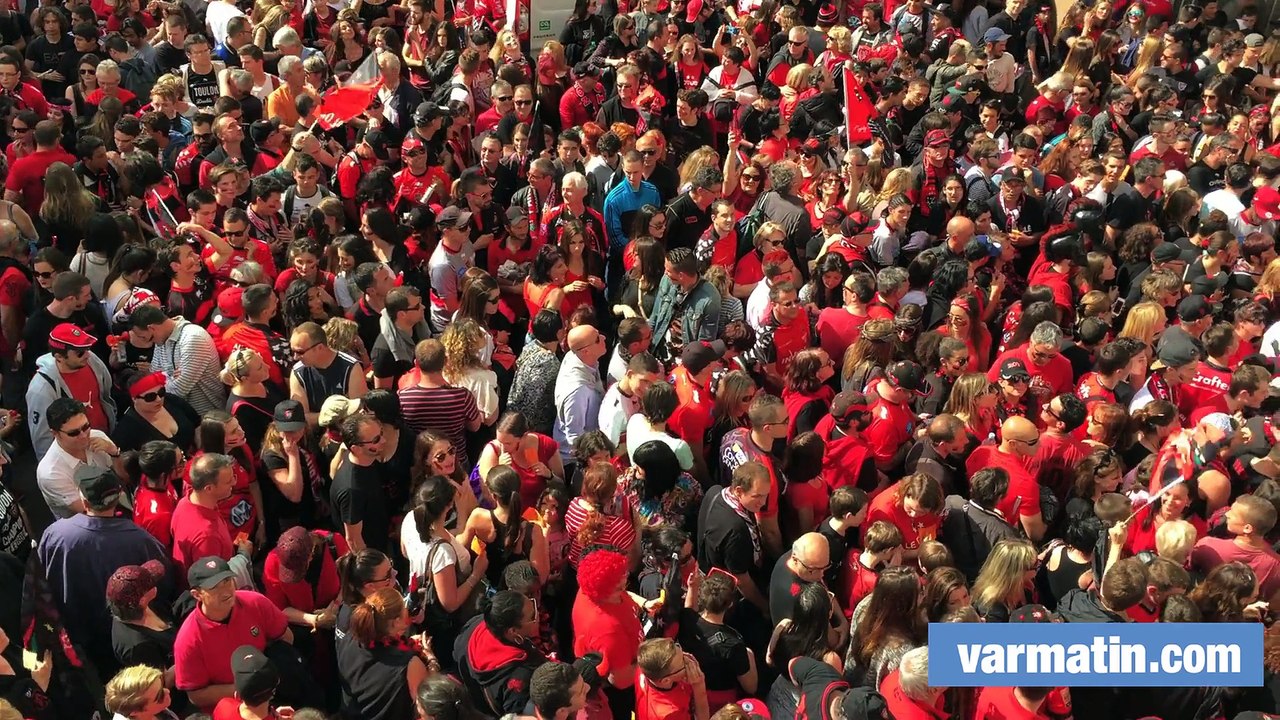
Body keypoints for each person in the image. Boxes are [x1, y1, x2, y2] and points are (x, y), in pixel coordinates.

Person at [36, 467, 169, 671]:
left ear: (85, 501)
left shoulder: (55, 534)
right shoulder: (140, 540)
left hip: (80, 634)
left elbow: (41, 582)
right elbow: (164, 585)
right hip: (130, 638)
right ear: (118, 498)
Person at [173, 556, 292, 711]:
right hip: (230, 709)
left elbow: (286, 637)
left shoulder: (255, 602)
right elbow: (196, 695)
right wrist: (248, 687)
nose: (226, 591)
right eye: (214, 587)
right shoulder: (188, 639)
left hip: (274, 693)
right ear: (197, 594)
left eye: (227, 581)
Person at [28, 322, 116, 459]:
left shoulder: (92, 361)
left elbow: (106, 397)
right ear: (59, 357)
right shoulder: (41, 389)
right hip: (75, 456)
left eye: (87, 348)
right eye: (80, 352)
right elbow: (43, 439)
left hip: (104, 441)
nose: (87, 354)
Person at [452, 590, 546, 716]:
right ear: (513, 631)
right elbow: (516, 716)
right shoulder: (520, 675)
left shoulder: (477, 624)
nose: (538, 614)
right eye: (532, 616)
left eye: (533, 603)